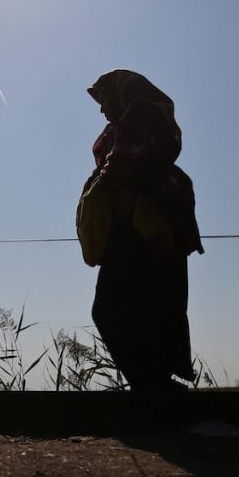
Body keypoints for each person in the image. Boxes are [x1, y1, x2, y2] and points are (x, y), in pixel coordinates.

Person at [82, 69, 204, 391]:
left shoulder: (139, 115)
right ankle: (157, 392)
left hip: (140, 232)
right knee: (151, 311)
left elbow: (121, 165)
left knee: (111, 310)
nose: (101, 108)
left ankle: (155, 390)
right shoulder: (141, 121)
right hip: (154, 230)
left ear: (120, 95)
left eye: (104, 98)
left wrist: (102, 188)